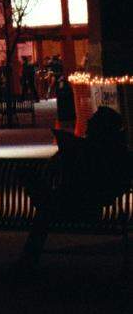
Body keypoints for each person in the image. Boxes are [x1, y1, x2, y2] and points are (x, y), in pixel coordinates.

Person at [18, 107, 130, 269]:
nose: (88, 122)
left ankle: (28, 261)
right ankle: (28, 260)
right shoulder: (108, 152)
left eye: (93, 120)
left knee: (45, 210)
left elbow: (105, 185)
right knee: (46, 209)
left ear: (100, 127)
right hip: (79, 202)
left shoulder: (96, 152)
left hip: (82, 207)